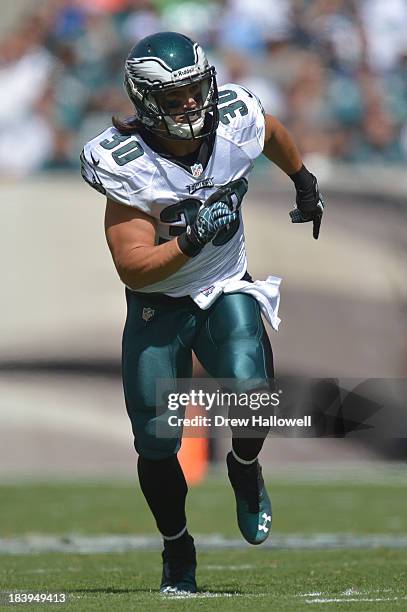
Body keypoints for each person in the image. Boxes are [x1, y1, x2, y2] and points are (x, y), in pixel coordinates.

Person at [80, 31, 324, 595]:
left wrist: (303, 181)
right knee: (157, 442)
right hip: (157, 306)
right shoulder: (126, 162)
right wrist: (190, 241)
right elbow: (133, 266)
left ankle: (244, 466)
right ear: (145, 101)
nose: (191, 103)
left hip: (224, 285)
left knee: (253, 392)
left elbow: (271, 133)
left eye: (196, 90)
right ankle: (177, 547)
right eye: (176, 97)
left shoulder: (235, 115)